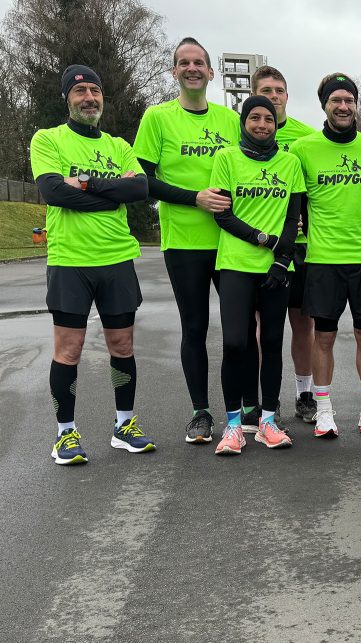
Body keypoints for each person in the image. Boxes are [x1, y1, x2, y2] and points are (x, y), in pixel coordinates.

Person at [31, 65, 153, 464]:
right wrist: (109, 195)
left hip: (116, 259)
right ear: (67, 97)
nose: (89, 97)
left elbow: (138, 187)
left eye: (95, 90)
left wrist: (83, 183)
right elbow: (52, 191)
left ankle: (124, 425)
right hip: (70, 261)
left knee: (123, 345)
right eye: (80, 90)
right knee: (69, 350)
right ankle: (64, 434)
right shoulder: (48, 139)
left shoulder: (118, 145)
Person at [133, 37, 240, 443]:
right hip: (184, 243)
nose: (192, 68)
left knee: (239, 329)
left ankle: (246, 408)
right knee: (194, 327)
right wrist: (194, 198)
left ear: (211, 73)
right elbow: (142, 181)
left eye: (199, 62)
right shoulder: (157, 118)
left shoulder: (230, 120)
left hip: (231, 241)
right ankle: (201, 412)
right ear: (174, 72)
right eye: (184, 62)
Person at [290, 73, 361, 437]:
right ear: (324, 105)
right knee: (324, 338)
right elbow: (297, 206)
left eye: (349, 100)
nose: (343, 106)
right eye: (336, 100)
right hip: (323, 260)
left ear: (356, 104)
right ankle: (325, 411)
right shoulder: (302, 150)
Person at [209, 96, 305, 455]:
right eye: (254, 118)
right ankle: (233, 425)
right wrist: (262, 239)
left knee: (272, 343)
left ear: (276, 124)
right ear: (244, 122)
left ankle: (267, 421)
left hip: (277, 268)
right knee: (236, 342)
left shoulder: (290, 162)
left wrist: (282, 261)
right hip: (235, 264)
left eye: (268, 118)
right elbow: (223, 215)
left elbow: (293, 216)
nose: (262, 124)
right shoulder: (227, 159)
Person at [251, 65, 320, 424]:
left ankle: (304, 393)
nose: (274, 96)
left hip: (304, 245)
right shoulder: (244, 134)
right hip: (263, 248)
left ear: (288, 96)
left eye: (279, 90)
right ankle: (269, 398)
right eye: (266, 90)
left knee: (303, 324)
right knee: (266, 327)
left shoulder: (306, 137)